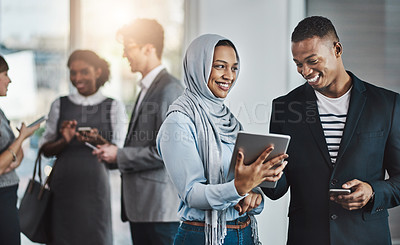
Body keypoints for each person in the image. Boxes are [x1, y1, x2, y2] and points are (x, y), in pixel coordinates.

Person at [262, 16, 400, 245]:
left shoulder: (387, 105)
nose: (305, 71)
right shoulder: (285, 108)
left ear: (337, 49)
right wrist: (262, 174)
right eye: (298, 63)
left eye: (312, 60)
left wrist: (373, 192)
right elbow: (277, 190)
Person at [156, 34, 288, 245]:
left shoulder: (229, 120)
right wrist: (239, 188)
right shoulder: (178, 121)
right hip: (202, 236)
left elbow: (236, 181)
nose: (229, 76)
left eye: (234, 68)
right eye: (220, 66)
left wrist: (253, 194)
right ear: (198, 67)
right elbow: (192, 193)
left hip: (244, 232)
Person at [93, 18, 184, 245]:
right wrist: (112, 152)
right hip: (145, 208)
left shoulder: (170, 89)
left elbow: (167, 152)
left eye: (128, 48)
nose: (125, 55)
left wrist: (119, 155)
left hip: (160, 211)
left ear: (149, 48)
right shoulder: (147, 87)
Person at [40, 50, 127, 245]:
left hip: (95, 188)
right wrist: (64, 139)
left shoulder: (114, 106)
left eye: (84, 72)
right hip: (62, 188)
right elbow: (45, 149)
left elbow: (119, 152)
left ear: (97, 71)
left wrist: (99, 140)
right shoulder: (59, 104)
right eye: (73, 72)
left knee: (96, 236)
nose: (77, 78)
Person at [0, 56, 40, 245]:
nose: (10, 80)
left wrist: (10, 156)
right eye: (5, 74)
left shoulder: (0, 113)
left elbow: (16, 156)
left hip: (7, 195)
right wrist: (22, 138)